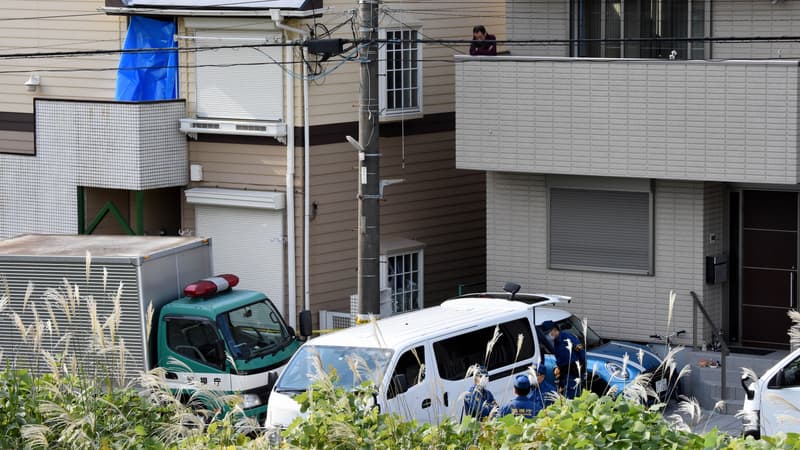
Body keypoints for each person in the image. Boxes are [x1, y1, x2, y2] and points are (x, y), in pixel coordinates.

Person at [541, 320, 586, 399]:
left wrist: (581, 370)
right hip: (564, 373)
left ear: (555, 330)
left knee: (574, 396)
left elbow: (581, 353)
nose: (548, 336)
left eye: (548, 333)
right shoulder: (555, 342)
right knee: (564, 396)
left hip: (574, 372)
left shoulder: (568, 338)